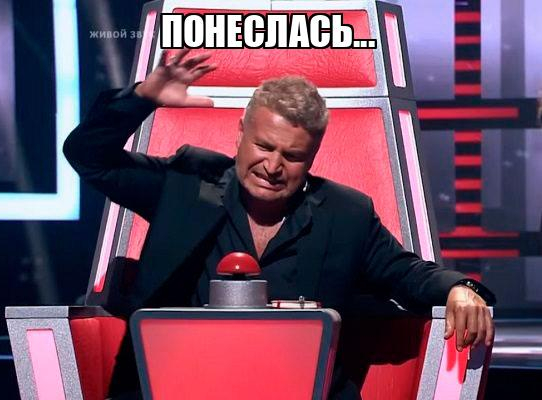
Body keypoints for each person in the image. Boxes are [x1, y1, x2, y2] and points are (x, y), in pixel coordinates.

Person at [64, 49, 495, 399]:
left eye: (292, 156)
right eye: (263, 146)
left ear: (313, 155)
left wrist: (459, 288)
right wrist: (141, 98)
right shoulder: (186, 181)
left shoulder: (346, 214)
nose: (272, 167)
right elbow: (88, 157)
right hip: (174, 386)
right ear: (240, 132)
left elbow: (406, 273)